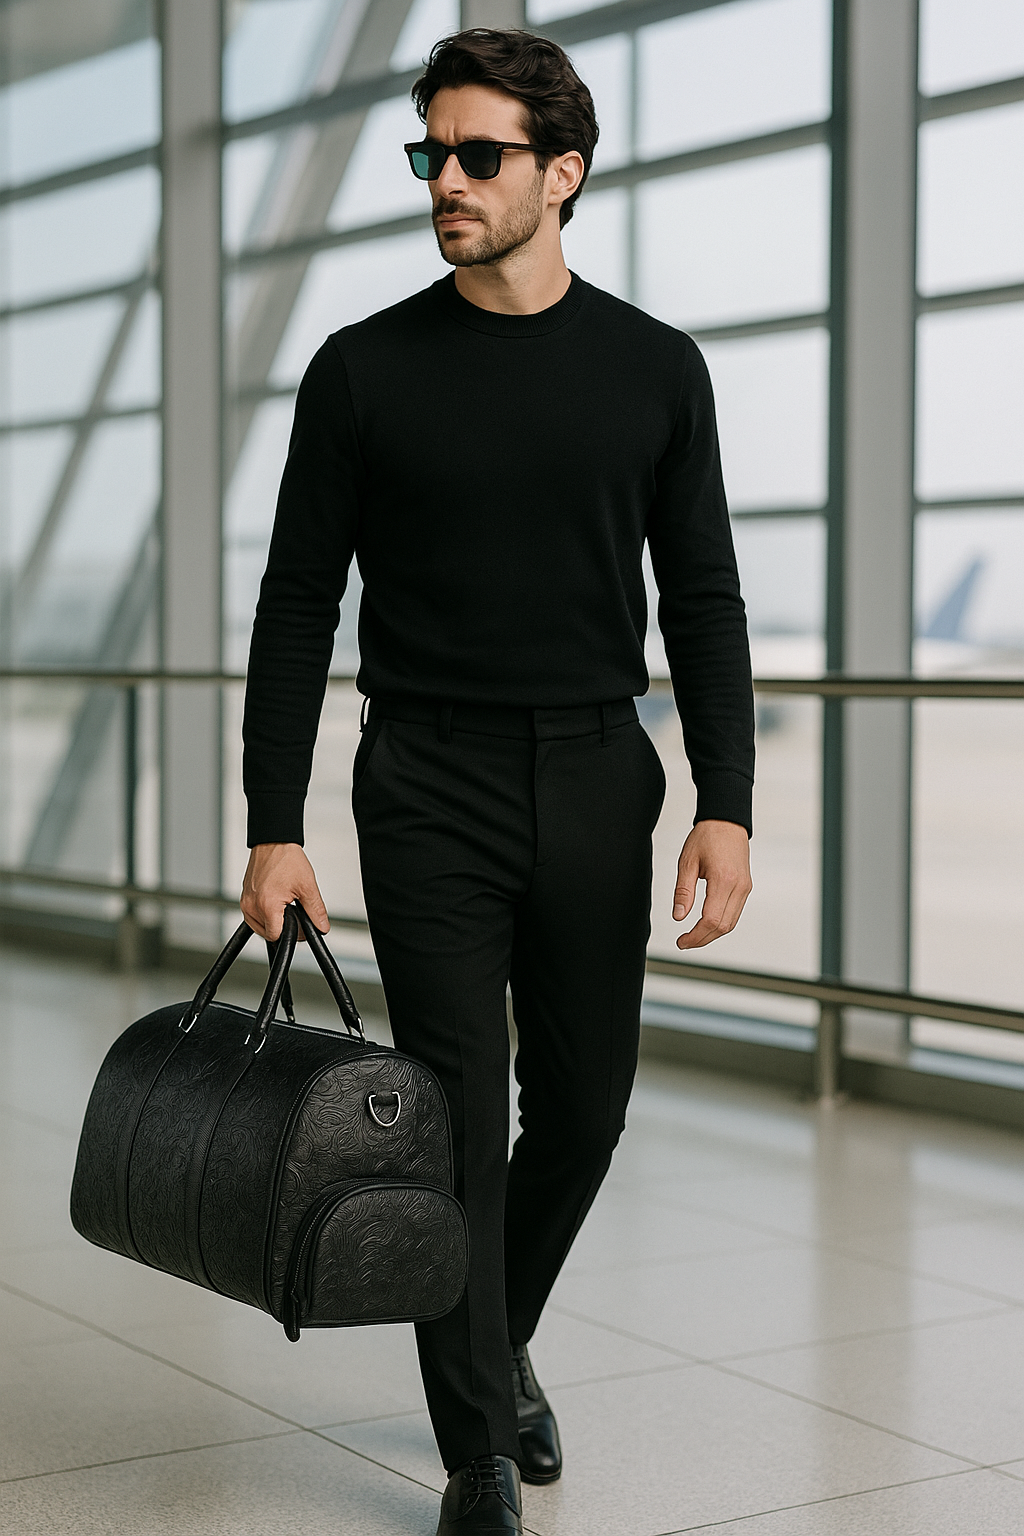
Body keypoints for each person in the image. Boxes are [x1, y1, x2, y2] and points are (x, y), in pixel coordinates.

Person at [240, 28, 754, 1536]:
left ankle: (492, 1329)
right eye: (431, 156)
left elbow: (704, 598)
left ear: (563, 174)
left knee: (584, 1106)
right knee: (454, 1116)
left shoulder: (658, 370)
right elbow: (291, 606)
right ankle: (474, 1447)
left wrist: (725, 797)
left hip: (600, 772)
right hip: (428, 784)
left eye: (478, 156)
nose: (445, 182)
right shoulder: (361, 372)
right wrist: (276, 823)